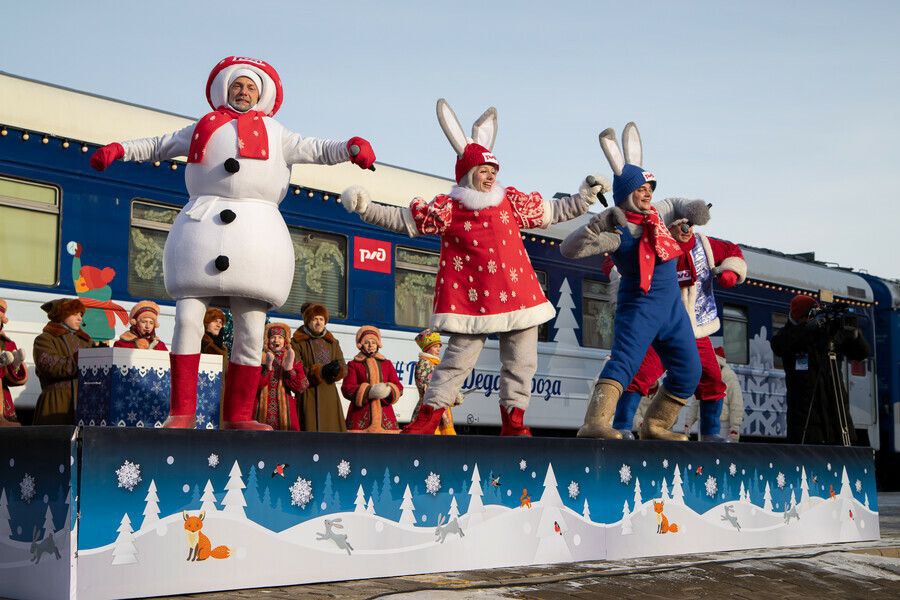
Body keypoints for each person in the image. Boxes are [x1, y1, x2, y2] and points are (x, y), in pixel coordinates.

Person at [90, 56, 375, 430]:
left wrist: (350, 148)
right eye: (238, 86)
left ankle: (239, 415)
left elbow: (317, 148)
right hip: (200, 232)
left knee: (252, 330)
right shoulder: (202, 128)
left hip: (254, 242)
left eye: (250, 87)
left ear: (262, 94)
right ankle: (182, 412)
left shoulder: (277, 133)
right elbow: (158, 144)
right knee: (188, 319)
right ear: (225, 89)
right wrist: (119, 150)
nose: (243, 92)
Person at [342, 98, 606, 435]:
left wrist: (584, 196)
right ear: (468, 173)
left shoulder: (510, 200)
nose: (490, 176)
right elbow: (403, 220)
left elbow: (556, 210)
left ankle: (514, 422)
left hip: (518, 294)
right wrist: (366, 208)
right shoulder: (450, 207)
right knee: (456, 361)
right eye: (484, 171)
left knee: (521, 363)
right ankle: (429, 417)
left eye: (494, 171)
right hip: (473, 298)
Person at [561, 122, 710, 440]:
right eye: (639, 189)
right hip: (639, 304)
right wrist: (597, 224)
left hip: (671, 308)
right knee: (625, 362)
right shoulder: (619, 230)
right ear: (625, 193)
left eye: (649, 189)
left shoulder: (657, 216)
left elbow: (679, 206)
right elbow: (569, 249)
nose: (646, 194)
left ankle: (656, 425)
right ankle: (595, 423)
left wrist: (687, 221)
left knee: (689, 368)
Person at [611, 219, 746, 441]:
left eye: (689, 226)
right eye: (680, 226)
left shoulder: (704, 245)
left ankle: (710, 433)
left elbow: (732, 251)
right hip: (661, 326)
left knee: (711, 377)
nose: (686, 230)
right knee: (641, 374)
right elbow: (617, 263)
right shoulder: (652, 244)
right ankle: (622, 425)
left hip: (694, 327)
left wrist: (730, 271)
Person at [771, 295, 870, 445]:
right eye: (807, 316)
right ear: (798, 317)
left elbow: (861, 353)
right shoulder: (787, 335)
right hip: (806, 420)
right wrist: (812, 327)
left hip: (837, 417)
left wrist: (855, 335)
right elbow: (781, 345)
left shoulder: (828, 334)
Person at [32, 299, 93, 425]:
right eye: (75, 314)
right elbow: (50, 366)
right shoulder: (44, 339)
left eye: (81, 314)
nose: (80, 318)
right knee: (53, 442)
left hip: (83, 404)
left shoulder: (86, 341)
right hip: (54, 404)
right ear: (61, 315)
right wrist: (81, 359)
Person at [291, 303, 347, 432]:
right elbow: (296, 367)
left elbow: (343, 364)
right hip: (308, 394)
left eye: (321, 319)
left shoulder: (332, 342)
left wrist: (338, 370)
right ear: (308, 321)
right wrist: (320, 371)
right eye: (315, 319)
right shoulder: (297, 342)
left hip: (329, 395)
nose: (318, 322)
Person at [342, 326, 403, 432]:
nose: (371, 345)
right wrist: (369, 392)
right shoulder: (353, 365)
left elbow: (399, 387)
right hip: (360, 416)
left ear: (378, 344)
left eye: (374, 342)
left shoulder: (387, 364)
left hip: (385, 417)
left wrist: (387, 390)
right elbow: (347, 388)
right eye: (367, 342)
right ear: (361, 345)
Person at [684, 346, 744, 441]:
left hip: (722, 423)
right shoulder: (707, 376)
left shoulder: (729, 378)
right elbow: (696, 403)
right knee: (708, 451)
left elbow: (736, 404)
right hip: (704, 422)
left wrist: (735, 427)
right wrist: (688, 422)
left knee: (719, 451)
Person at [255, 322, 308, 430]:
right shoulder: (260, 358)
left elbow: (301, 386)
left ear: (285, 341)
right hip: (262, 406)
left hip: (285, 408)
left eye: (280, 337)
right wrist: (267, 368)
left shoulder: (290, 357)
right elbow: (254, 385)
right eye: (273, 337)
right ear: (267, 340)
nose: (276, 340)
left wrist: (290, 370)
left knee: (286, 440)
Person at [411, 328, 461, 435]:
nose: (438, 349)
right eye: (435, 347)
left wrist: (452, 396)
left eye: (439, 346)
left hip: (438, 406)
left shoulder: (435, 363)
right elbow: (427, 388)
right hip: (428, 407)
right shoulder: (424, 364)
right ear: (427, 348)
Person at [0, 299, 28, 426]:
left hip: (3, 399)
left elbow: (11, 379)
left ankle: (14, 364)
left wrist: (14, 367)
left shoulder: (6, 343)